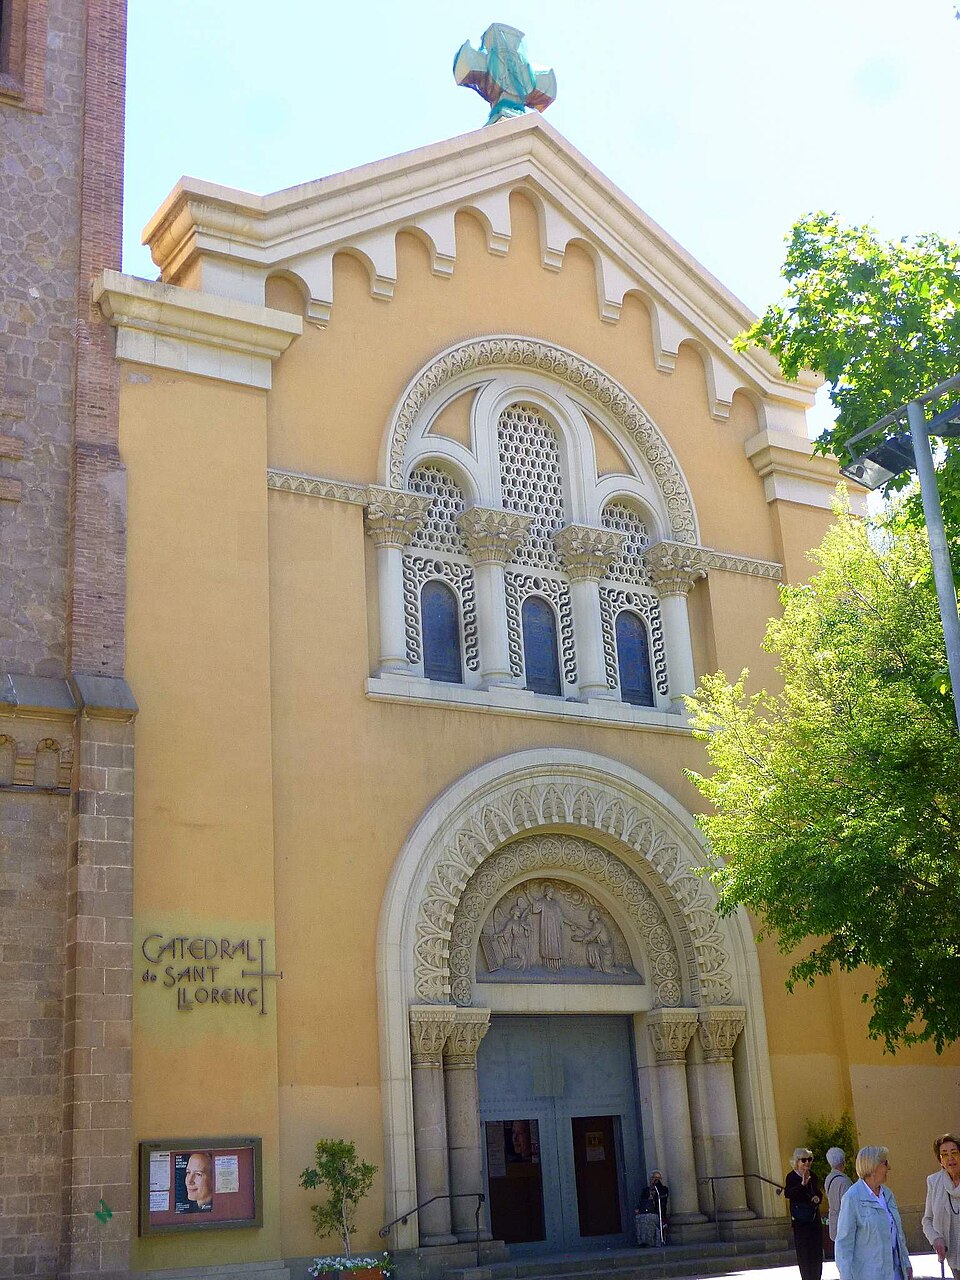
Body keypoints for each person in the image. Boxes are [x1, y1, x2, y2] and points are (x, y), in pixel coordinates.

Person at [835, 1145, 912, 1280]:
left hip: (895, 1273)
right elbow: (844, 1244)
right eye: (885, 1163)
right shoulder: (852, 1197)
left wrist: (906, 1264)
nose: (889, 1167)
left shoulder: (887, 1194)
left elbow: (898, 1235)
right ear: (873, 1166)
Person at [922, 1132, 960, 1277]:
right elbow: (927, 1220)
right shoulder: (934, 1182)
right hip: (953, 1257)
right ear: (940, 1161)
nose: (950, 1158)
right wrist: (935, 1239)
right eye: (944, 1154)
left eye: (954, 1152)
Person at [784, 1147, 823, 1280]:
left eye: (809, 1160)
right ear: (797, 1162)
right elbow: (788, 1193)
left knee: (816, 1251)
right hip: (800, 1221)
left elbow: (817, 1192)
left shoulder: (813, 1176)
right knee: (804, 1252)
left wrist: (817, 1198)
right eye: (803, 1160)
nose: (807, 1163)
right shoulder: (791, 1177)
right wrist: (802, 1184)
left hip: (813, 1218)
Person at [825, 1147, 853, 1249]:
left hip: (834, 1220)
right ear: (843, 1161)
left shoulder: (828, 1179)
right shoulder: (845, 1182)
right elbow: (849, 1205)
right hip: (845, 1223)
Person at [635, 1170, 669, 1246]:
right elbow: (642, 1201)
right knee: (641, 1218)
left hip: (658, 1212)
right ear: (650, 1179)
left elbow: (663, 1200)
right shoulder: (646, 1190)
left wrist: (657, 1188)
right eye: (654, 1178)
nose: (656, 1180)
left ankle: (652, 1241)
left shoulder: (664, 1189)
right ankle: (643, 1241)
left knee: (649, 1218)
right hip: (646, 1211)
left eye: (658, 1178)